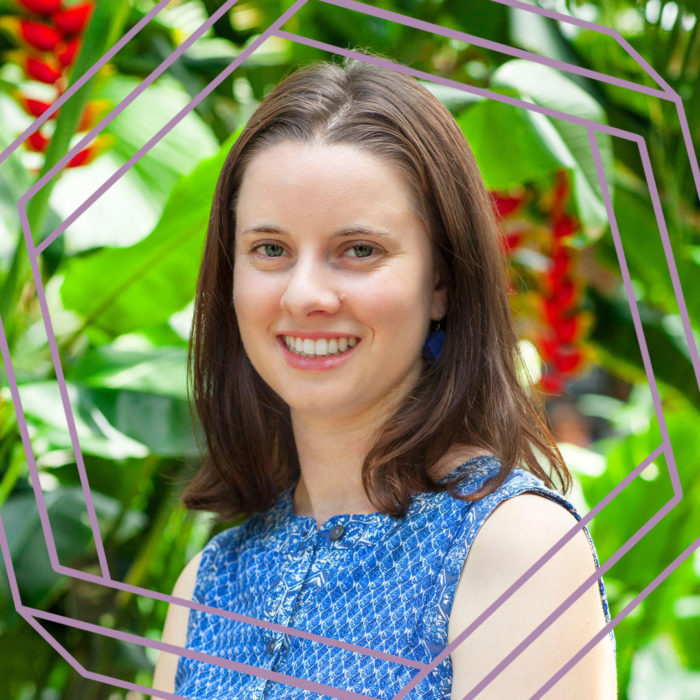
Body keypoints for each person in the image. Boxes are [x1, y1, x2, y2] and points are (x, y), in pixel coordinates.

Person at [152, 55, 617, 699]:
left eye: (360, 250)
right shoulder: (207, 585)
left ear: (441, 283)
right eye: (270, 249)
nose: (304, 294)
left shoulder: (513, 548)